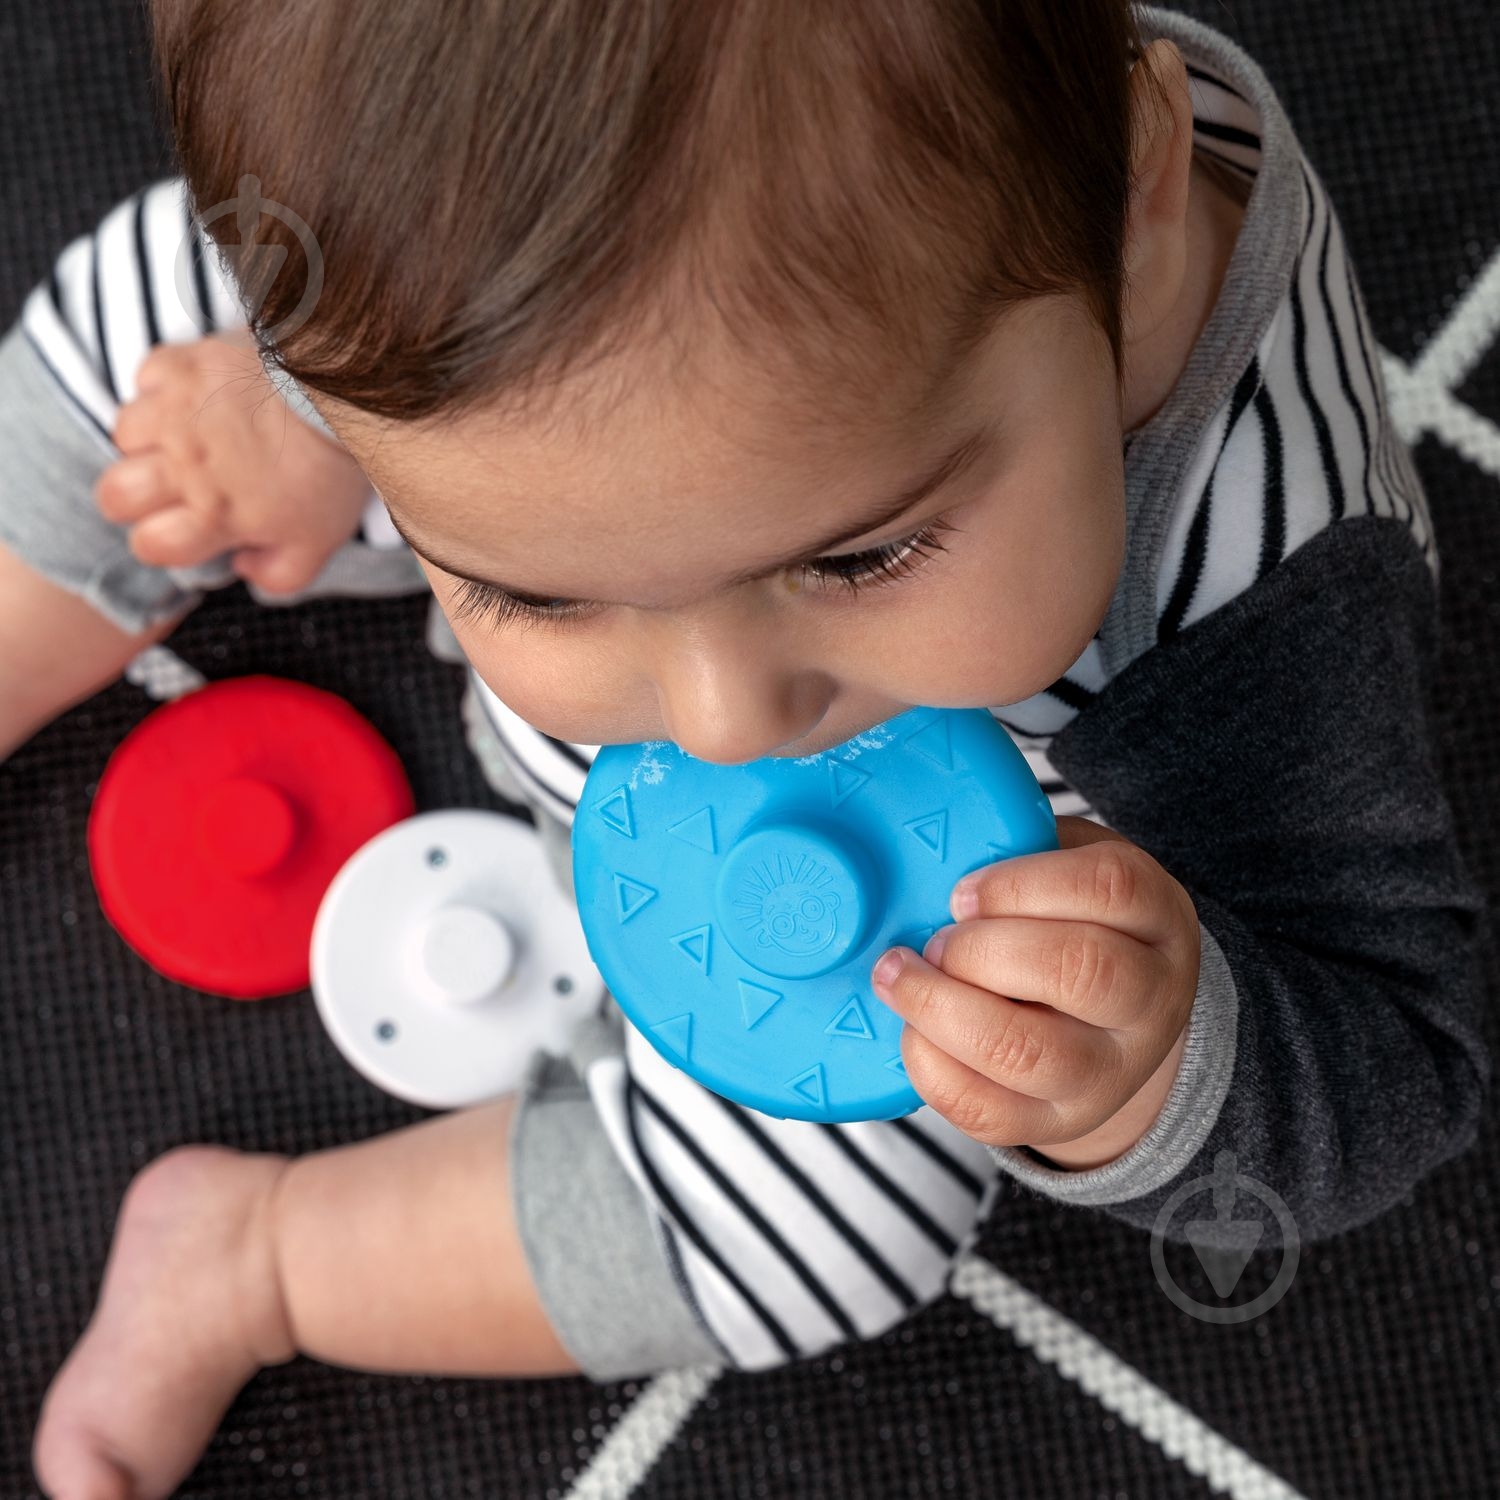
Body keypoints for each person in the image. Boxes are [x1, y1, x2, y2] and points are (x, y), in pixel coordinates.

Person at [9, 3, 1484, 1495]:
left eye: (859, 557)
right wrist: (312, 420)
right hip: (461, 422)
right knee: (154, 323)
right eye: (539, 593)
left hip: (872, 943)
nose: (720, 722)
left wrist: (1150, 1067)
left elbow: (1400, 1056)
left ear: (1129, 205)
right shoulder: (412, 262)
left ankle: (258, 1258)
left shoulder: (1261, 605)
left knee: (829, 1234)